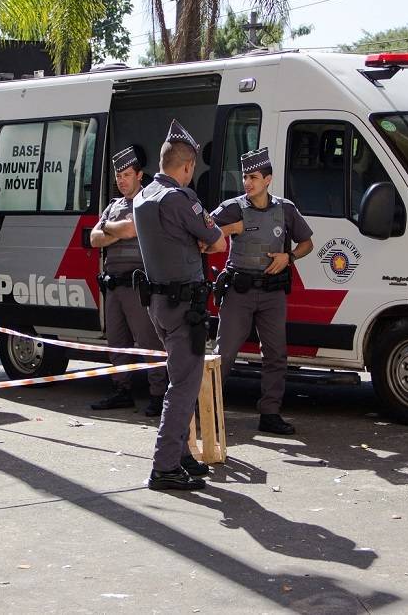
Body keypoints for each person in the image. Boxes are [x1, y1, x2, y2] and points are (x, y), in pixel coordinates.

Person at [133, 119, 226, 492]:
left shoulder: (143, 197)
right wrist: (201, 240)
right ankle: (165, 465)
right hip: (183, 304)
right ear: (187, 167)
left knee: (180, 379)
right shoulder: (180, 198)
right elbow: (217, 241)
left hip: (158, 302)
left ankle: (183, 455)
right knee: (184, 386)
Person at [211, 147, 314, 436]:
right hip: (239, 291)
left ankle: (270, 413)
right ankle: (206, 410)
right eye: (245, 176)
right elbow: (202, 233)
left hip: (272, 294)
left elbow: (307, 243)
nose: (247, 182)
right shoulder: (232, 207)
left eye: (254, 177)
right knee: (224, 355)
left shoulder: (286, 209)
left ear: (268, 180)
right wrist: (233, 228)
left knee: (275, 355)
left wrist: (288, 257)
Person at [89, 146, 169, 416]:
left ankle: (158, 395)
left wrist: (109, 228)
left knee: (149, 342)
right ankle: (121, 390)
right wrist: (116, 229)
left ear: (139, 175)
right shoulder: (113, 206)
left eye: (126, 175)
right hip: (114, 288)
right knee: (117, 343)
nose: (121, 180)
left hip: (139, 288)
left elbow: (130, 228)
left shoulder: (148, 202)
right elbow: (93, 238)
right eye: (118, 176)